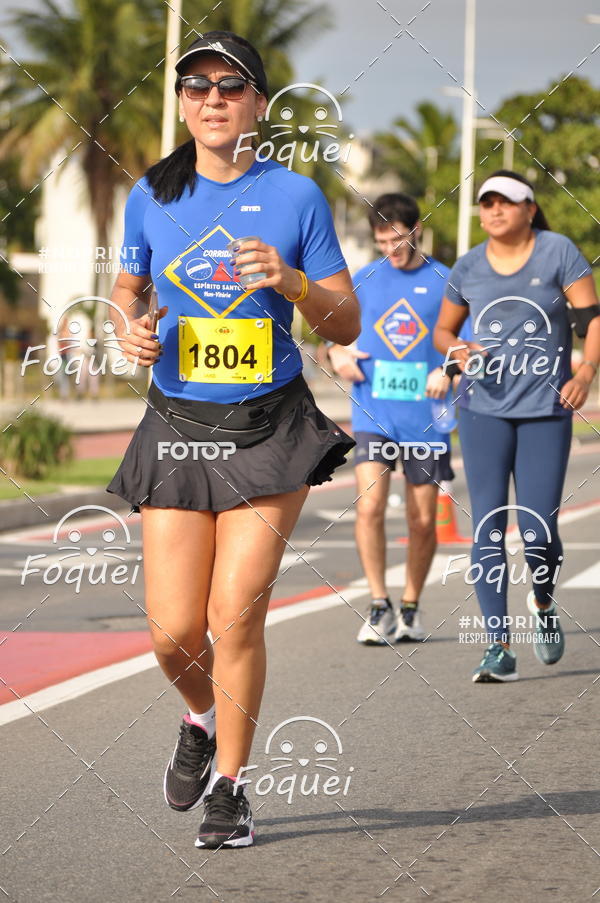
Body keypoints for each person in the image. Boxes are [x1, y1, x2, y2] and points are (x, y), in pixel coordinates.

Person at [106, 31, 360, 847]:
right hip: (177, 425)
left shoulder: (297, 197)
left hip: (267, 426)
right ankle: (200, 717)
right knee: (173, 631)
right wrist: (130, 329)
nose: (212, 98)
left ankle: (232, 787)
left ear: (258, 103)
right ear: (181, 104)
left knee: (233, 617)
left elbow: (346, 319)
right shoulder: (150, 192)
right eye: (196, 86)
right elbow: (127, 286)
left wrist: (290, 282)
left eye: (230, 85)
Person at [434, 170, 600, 682]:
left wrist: (586, 370)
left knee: (536, 530)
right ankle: (498, 646)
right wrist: (460, 350)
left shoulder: (558, 252)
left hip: (546, 412)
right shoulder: (468, 266)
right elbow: (443, 330)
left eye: (506, 202)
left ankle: (544, 604)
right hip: (482, 411)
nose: (494, 211)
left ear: (530, 208)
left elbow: (591, 319)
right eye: (486, 203)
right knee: (487, 525)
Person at [328, 193, 455, 646]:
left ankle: (411, 607)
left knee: (422, 522)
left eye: (397, 238)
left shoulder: (446, 280)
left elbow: (470, 341)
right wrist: (337, 354)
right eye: (382, 240)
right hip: (373, 412)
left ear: (416, 228)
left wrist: (449, 368)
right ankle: (379, 604)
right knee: (370, 507)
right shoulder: (363, 280)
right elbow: (333, 335)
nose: (390, 249)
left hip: (426, 419)